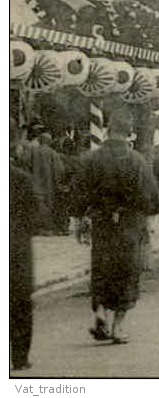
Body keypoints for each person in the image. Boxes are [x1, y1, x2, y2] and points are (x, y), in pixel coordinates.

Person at [72, 107, 159, 344]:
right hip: (130, 224)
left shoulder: (92, 158)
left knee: (102, 268)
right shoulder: (137, 161)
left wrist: (80, 220)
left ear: (108, 130)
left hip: (102, 222)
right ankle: (118, 327)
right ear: (130, 132)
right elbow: (149, 198)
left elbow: (80, 193)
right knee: (128, 274)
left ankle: (100, 312)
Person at [11, 121, 44, 370]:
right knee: (20, 306)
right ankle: (19, 358)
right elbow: (38, 216)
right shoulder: (21, 179)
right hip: (16, 253)